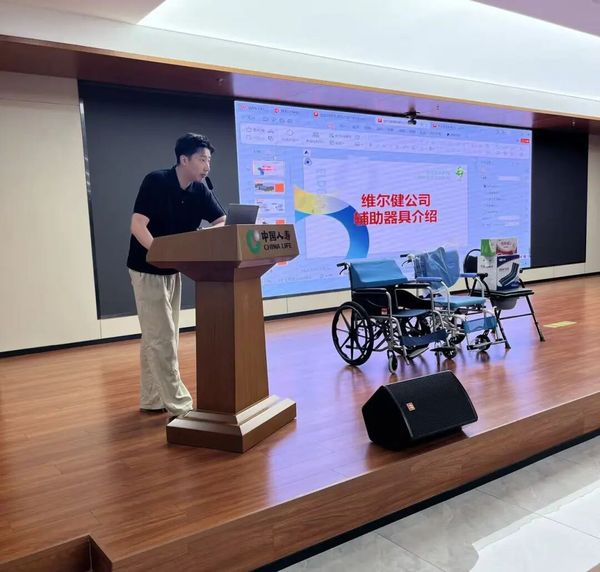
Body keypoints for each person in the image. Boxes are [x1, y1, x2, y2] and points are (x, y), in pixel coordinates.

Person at [127, 133, 226, 418]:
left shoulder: (201, 190)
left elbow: (222, 221)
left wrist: (200, 237)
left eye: (209, 160)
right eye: (202, 160)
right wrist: (161, 253)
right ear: (184, 159)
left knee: (158, 336)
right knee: (163, 337)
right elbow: (137, 225)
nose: (207, 166)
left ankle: (152, 398)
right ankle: (180, 406)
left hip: (174, 270)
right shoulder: (156, 181)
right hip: (147, 268)